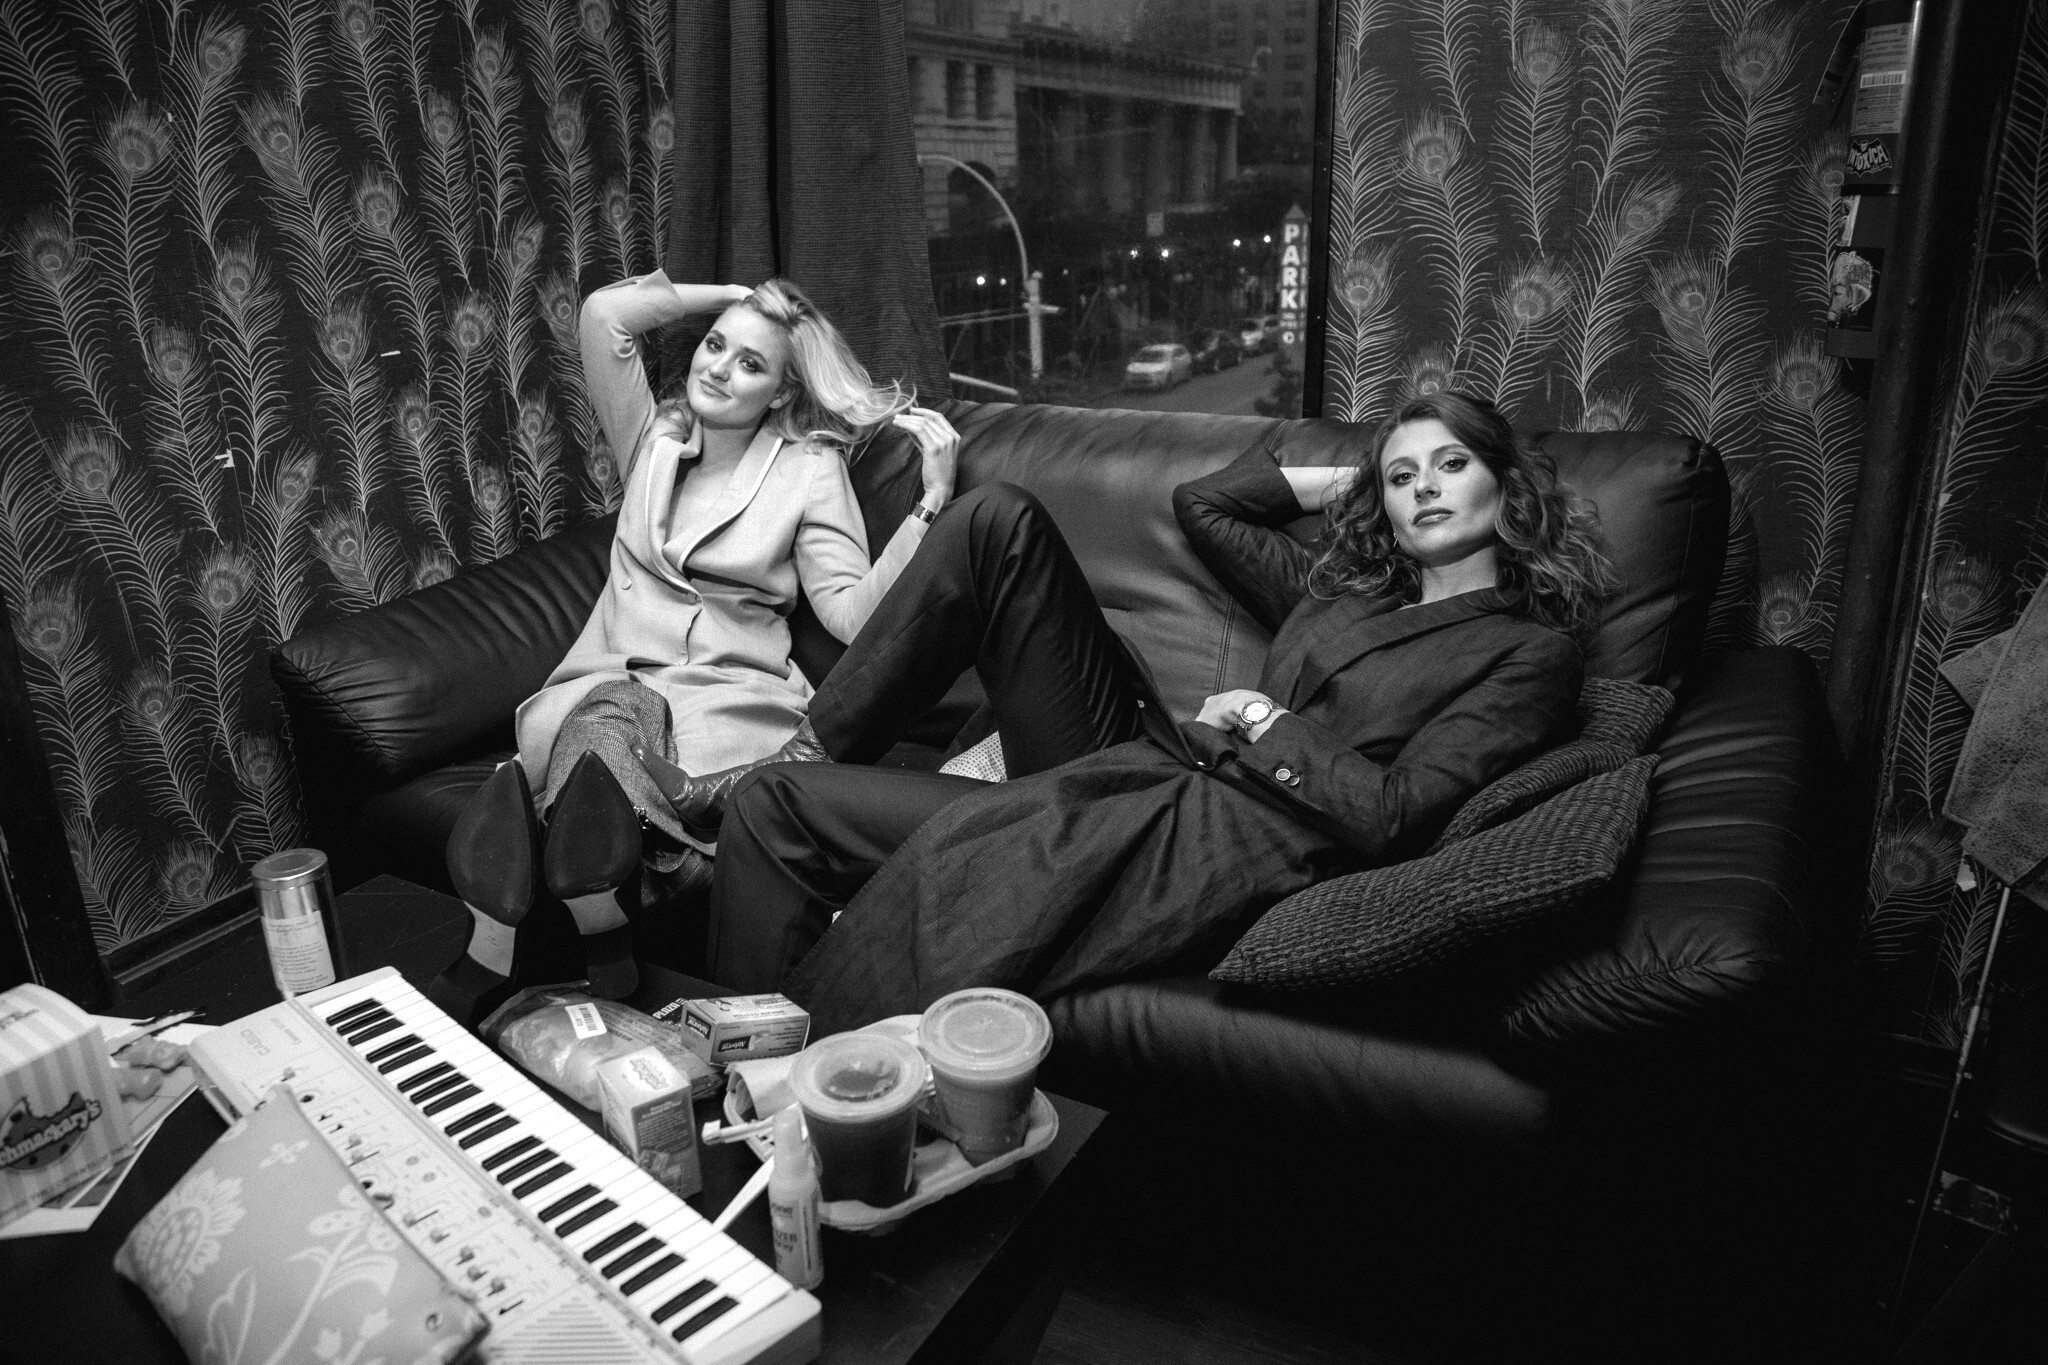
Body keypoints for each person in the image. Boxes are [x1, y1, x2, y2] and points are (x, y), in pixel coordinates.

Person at [693, 391, 1618, 1034]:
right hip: (1137, 763)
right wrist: (1362, 482)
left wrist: (1261, 719)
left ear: (1506, 486)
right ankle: (735, 1057)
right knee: (776, 798)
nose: (1425, 487)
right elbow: (1209, 505)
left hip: (1199, 825)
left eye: (1452, 465)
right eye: (1405, 475)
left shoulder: (1526, 654)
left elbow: (1397, 812)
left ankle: (785, 1093)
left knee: (825, 823)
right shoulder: (1345, 592)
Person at [431, 269, 961, 1020]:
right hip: (612, 680)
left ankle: (503, 938)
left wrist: (930, 503)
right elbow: (605, 316)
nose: (718, 368)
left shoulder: (808, 469)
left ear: (779, 392)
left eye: (751, 363)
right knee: (609, 716)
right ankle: (616, 908)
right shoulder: (654, 438)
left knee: (592, 760)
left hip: (722, 703)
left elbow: (851, 616)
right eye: (715, 346)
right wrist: (736, 296)